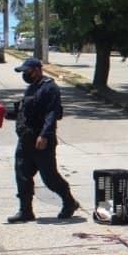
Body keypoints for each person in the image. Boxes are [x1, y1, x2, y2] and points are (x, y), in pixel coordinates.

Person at [7, 57, 79, 223]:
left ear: (37, 70)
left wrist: (44, 135)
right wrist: (6, 114)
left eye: (27, 71)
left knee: (50, 177)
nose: (25, 74)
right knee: (22, 175)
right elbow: (25, 112)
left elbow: (52, 113)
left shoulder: (50, 88)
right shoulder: (31, 88)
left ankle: (69, 202)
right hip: (25, 140)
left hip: (41, 141)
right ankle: (25, 211)